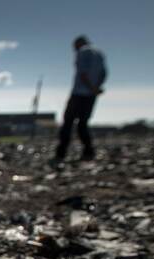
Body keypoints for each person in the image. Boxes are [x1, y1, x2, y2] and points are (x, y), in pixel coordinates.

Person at [54, 35, 107, 164]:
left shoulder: (83, 52)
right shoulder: (99, 53)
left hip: (79, 93)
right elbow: (104, 73)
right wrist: (96, 88)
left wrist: (90, 87)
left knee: (68, 122)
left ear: (78, 44)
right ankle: (88, 151)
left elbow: (82, 73)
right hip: (91, 95)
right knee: (83, 123)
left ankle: (61, 153)